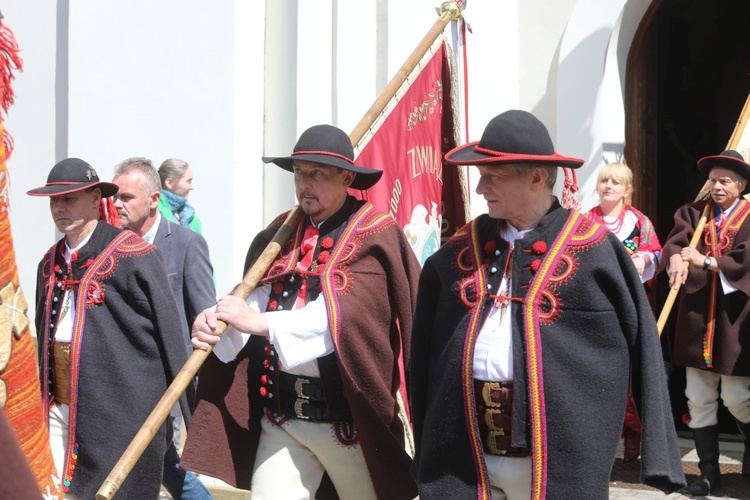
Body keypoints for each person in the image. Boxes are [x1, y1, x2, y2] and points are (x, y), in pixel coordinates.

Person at [409, 110, 686, 499]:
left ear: (537, 176)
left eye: (494, 175)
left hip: (556, 465)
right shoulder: (458, 251)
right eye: (481, 174)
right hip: (465, 462)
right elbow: (424, 353)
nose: (480, 188)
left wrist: (659, 455)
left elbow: (643, 346)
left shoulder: (594, 250)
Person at [181, 124, 422, 499]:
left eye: (317, 174)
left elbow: (341, 318)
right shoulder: (282, 232)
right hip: (283, 419)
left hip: (350, 425)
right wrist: (219, 319)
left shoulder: (373, 233)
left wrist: (256, 321)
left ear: (346, 178)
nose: (304, 183)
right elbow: (256, 295)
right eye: (299, 173)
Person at [28, 157, 191, 499]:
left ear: (94, 199)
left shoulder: (135, 255)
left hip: (120, 414)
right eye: (54, 200)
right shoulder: (49, 262)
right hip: (58, 410)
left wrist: (188, 416)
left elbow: (171, 336)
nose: (59, 207)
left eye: (69, 198)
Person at [112, 157, 216, 500]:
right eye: (115, 196)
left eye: (126, 197)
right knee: (159, 463)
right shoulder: (111, 247)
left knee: (163, 461)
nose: (116, 204)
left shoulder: (186, 244)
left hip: (166, 381)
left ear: (154, 200)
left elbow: (204, 317)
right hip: (120, 380)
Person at [660, 149, 750, 496]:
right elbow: (675, 244)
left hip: (733, 322)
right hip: (696, 319)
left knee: (738, 396)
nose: (716, 186)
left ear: (740, 185)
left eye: (724, 181)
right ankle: (709, 473)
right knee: (698, 398)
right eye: (712, 180)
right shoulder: (692, 213)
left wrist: (706, 260)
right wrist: (675, 261)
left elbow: (745, 261)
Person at [585, 162, 663, 462]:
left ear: (627, 189)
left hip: (631, 305)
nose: (608, 186)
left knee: (631, 367)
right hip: (596, 305)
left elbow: (656, 251)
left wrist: (645, 259)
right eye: (604, 180)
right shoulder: (585, 222)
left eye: (616, 182)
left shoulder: (640, 222)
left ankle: (633, 439)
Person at [158, 158, 202, 233]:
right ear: (169, 183)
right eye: (188, 181)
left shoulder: (194, 222)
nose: (192, 187)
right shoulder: (155, 214)